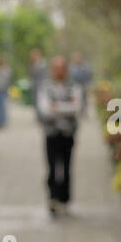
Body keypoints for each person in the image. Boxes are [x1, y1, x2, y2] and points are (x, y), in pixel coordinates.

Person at [35, 56, 84, 215]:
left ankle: (65, 199)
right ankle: (53, 198)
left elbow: (76, 108)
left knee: (67, 167)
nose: (59, 71)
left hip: (68, 133)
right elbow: (44, 110)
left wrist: (57, 107)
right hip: (51, 134)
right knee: (51, 167)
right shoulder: (45, 87)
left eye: (61, 68)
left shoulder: (74, 86)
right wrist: (64, 107)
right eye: (56, 68)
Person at [68, 52, 93, 118]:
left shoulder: (86, 67)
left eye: (78, 58)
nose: (77, 59)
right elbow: (69, 77)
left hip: (83, 86)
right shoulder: (71, 67)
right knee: (76, 99)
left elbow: (89, 76)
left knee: (84, 100)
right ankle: (76, 112)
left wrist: (89, 85)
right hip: (74, 86)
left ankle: (84, 112)